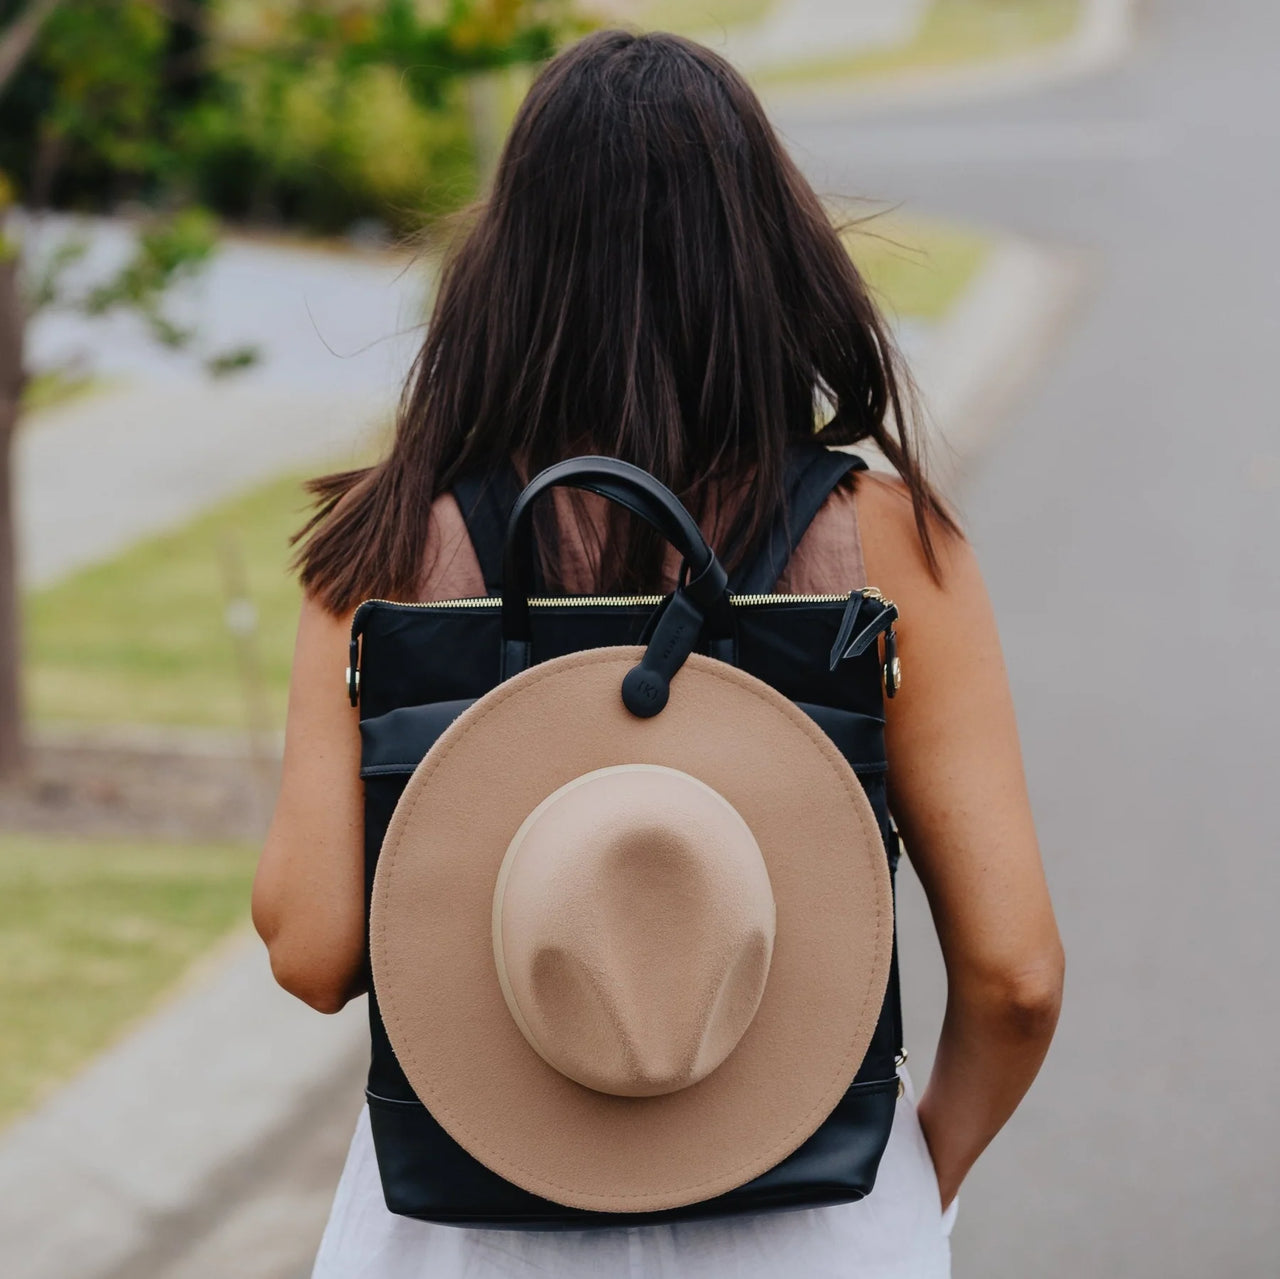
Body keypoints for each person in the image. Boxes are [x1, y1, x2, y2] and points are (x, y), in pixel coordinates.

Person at [252, 29, 1064, 1279]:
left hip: (466, 1224)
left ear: (510, 263)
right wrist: (913, 1181)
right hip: (808, 1215)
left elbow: (310, 952)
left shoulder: (382, 554)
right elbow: (1012, 976)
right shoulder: (888, 550)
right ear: (764, 256)